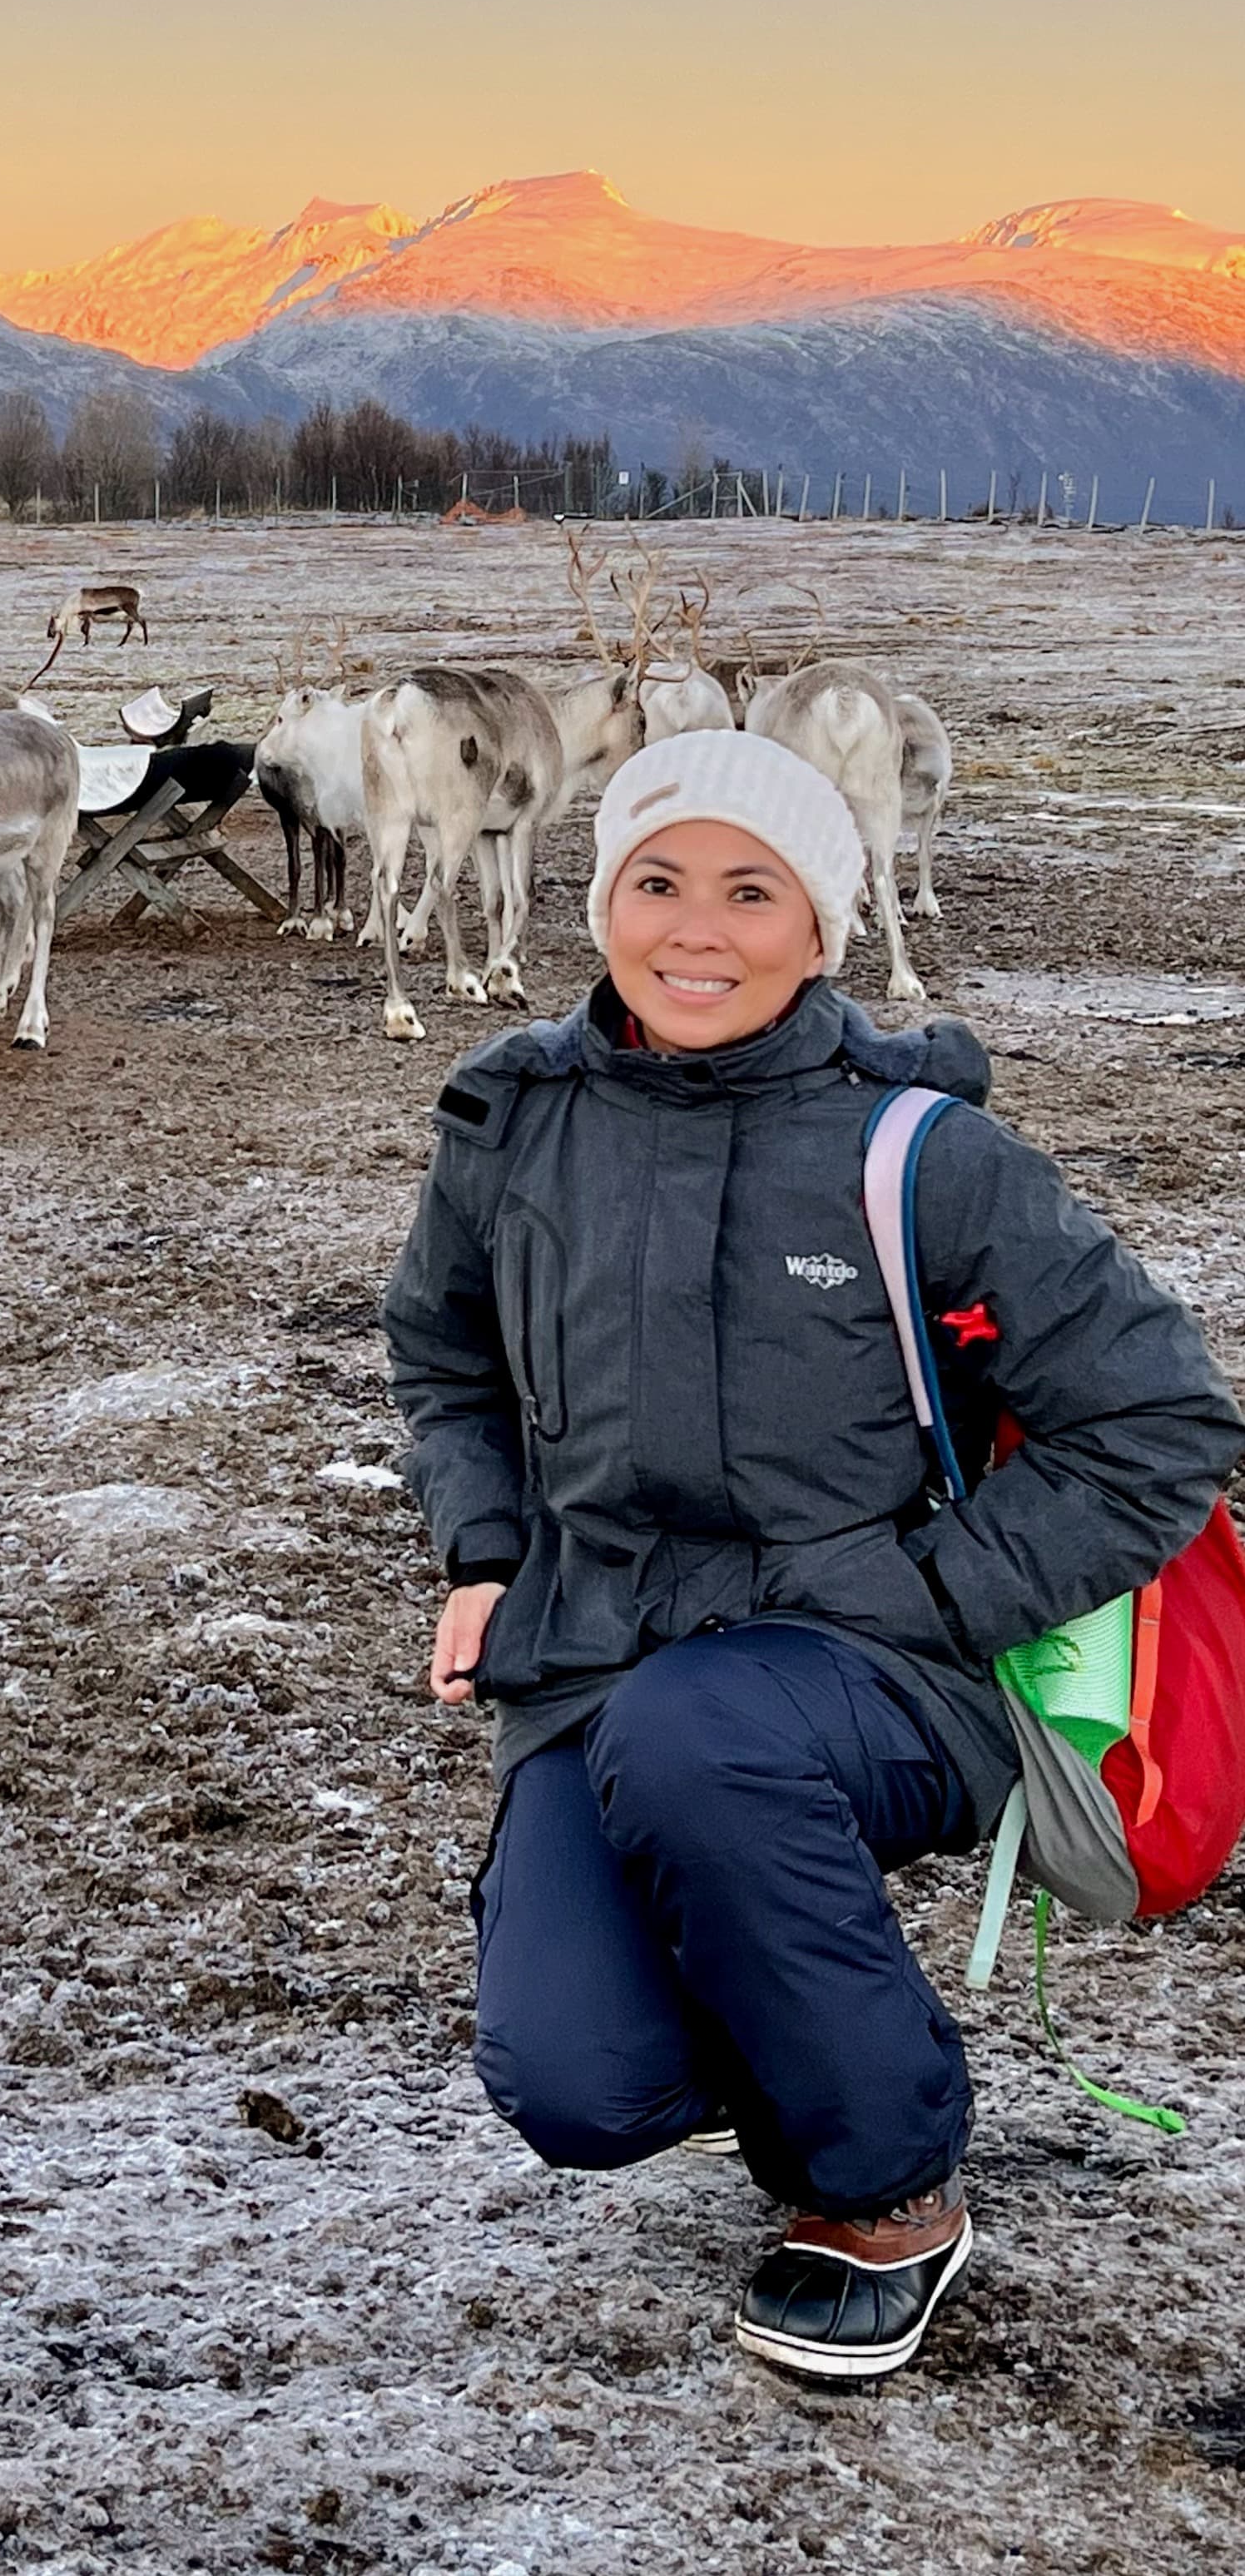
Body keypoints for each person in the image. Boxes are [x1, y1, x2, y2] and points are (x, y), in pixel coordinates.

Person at [382, 727, 1241, 2381]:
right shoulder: (512, 1122)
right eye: (654, 880)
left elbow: (1157, 1422)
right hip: (600, 1640)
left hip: (878, 1660)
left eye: (748, 888)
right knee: (577, 2083)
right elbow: (443, 1358)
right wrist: (484, 1549)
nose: (694, 928)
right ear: (599, 900)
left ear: (821, 926)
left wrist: (935, 1593)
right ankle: (780, 2020)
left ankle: (884, 2189)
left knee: (696, 1732)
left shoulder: (923, 1153)